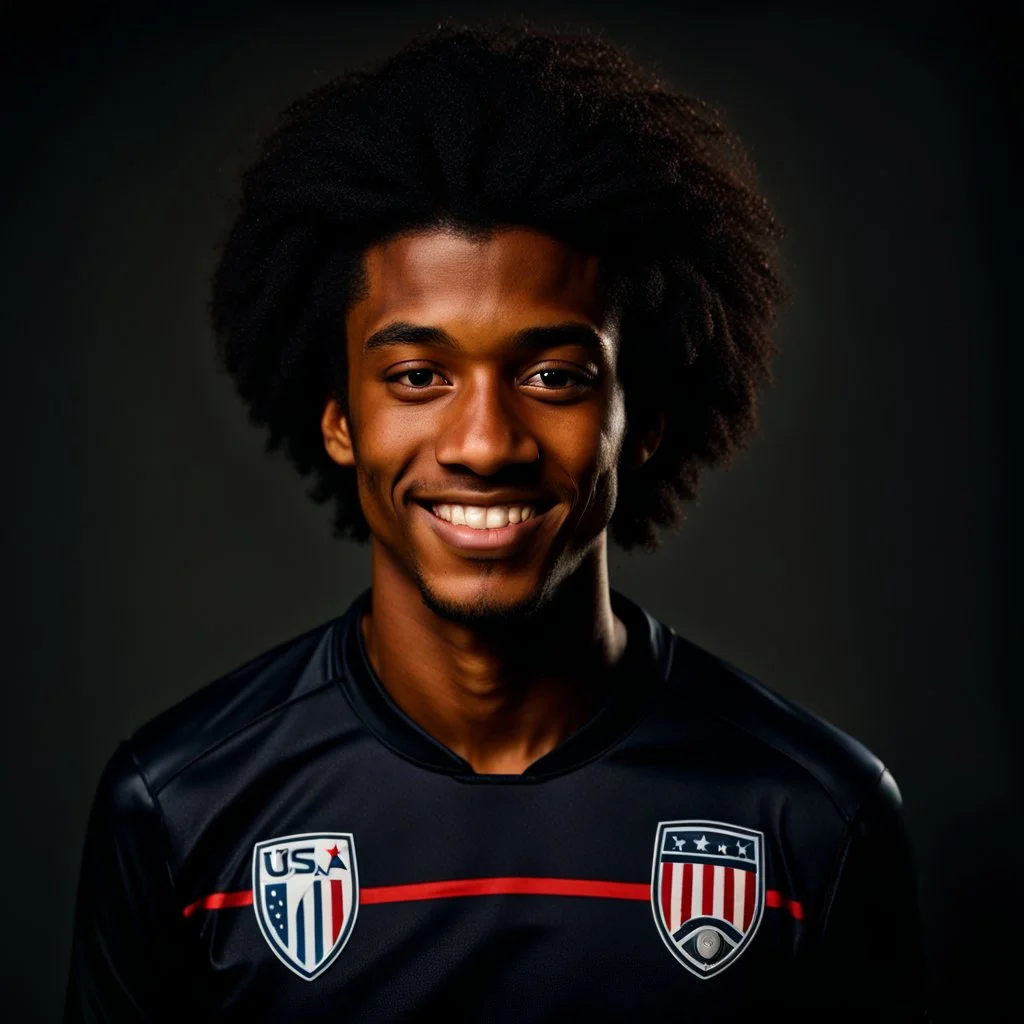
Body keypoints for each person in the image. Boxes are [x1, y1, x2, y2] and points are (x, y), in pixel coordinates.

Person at [65, 22, 929, 1022]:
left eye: (552, 375)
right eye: (418, 376)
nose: (483, 441)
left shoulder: (813, 814)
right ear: (341, 420)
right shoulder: (181, 804)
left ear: (638, 423)